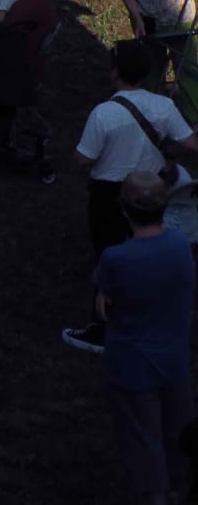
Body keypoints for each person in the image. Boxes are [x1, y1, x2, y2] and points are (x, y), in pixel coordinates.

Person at [65, 41, 198, 353]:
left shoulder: (103, 113)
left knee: (108, 256)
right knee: (146, 251)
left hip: (108, 193)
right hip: (152, 189)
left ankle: (102, 328)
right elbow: (191, 143)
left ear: (114, 72)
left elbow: (83, 159)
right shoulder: (163, 106)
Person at [92, 172, 193, 505]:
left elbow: (105, 303)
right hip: (174, 361)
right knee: (177, 434)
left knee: (143, 441)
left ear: (124, 209)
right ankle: (179, 490)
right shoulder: (181, 246)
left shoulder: (116, 259)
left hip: (133, 367)